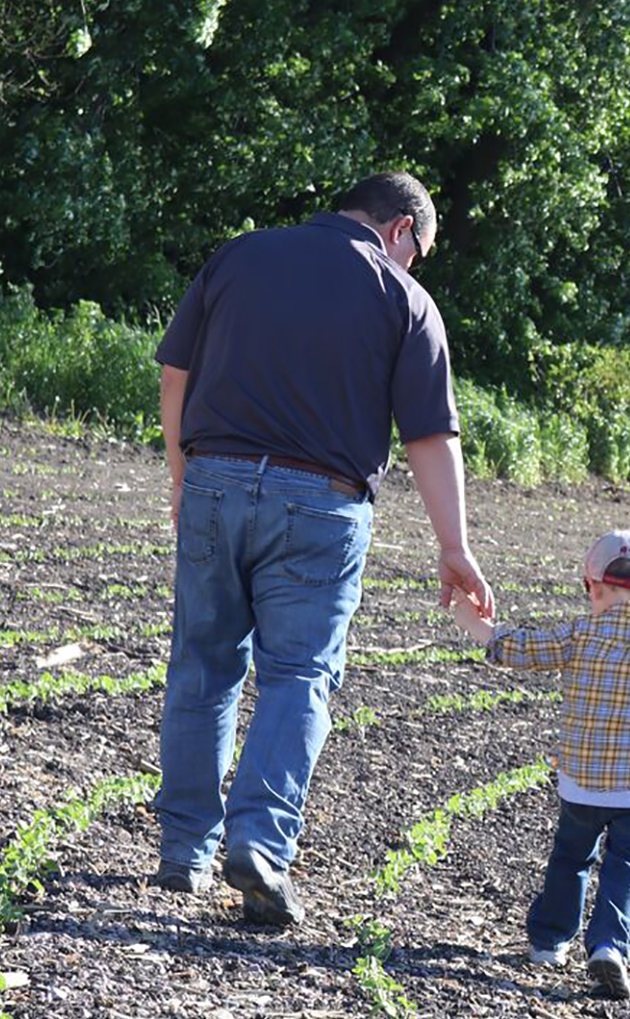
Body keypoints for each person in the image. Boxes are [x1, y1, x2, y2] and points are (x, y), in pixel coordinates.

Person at [152, 171, 494, 926]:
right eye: (422, 251)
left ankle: (185, 851)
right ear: (402, 228)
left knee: (202, 662)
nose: (417, 266)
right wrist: (454, 546)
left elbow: (176, 372)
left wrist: (184, 475)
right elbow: (430, 435)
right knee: (299, 674)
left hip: (213, 477)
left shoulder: (240, 256)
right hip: (321, 501)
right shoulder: (403, 298)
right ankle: (260, 844)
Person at [450, 529, 630, 999]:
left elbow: (521, 649)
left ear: (590, 585)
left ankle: (550, 941)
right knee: (629, 863)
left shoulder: (579, 634)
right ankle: (610, 946)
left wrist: (475, 623)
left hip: (583, 784)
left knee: (572, 857)